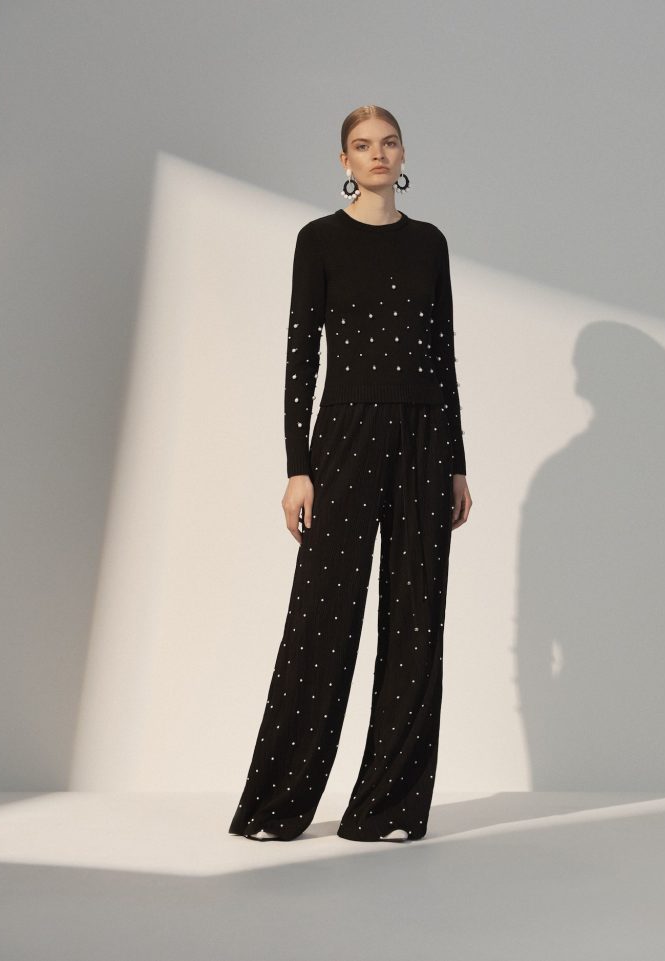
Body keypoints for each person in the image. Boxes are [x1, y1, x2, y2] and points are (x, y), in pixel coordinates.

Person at [228, 105, 472, 843]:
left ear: (403, 154)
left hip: (425, 437)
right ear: (344, 160)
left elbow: (443, 355)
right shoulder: (320, 240)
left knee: (416, 619)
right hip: (347, 435)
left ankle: (389, 807)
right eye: (362, 145)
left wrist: (458, 463)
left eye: (388, 143)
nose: (377, 154)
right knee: (323, 616)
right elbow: (301, 356)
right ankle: (278, 805)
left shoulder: (430, 244)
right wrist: (297, 467)